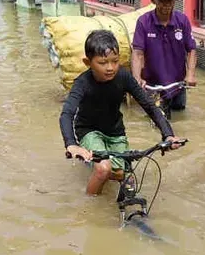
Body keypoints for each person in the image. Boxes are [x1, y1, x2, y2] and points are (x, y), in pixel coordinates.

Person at [60, 29, 185, 196]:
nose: (110, 68)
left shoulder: (124, 77)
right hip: (89, 131)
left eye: (115, 61)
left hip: (115, 133)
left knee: (125, 175)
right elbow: (66, 114)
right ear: (87, 62)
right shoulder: (82, 83)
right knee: (103, 169)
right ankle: (88, 212)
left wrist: (168, 135)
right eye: (103, 63)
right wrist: (72, 144)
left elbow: (149, 105)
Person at [131, 0, 197, 113]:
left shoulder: (182, 21)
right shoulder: (144, 22)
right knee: (153, 119)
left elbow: (191, 49)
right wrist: (137, 79)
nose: (166, 5)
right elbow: (137, 53)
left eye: (170, 0)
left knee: (179, 116)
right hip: (151, 85)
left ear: (175, 0)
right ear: (152, 0)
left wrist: (190, 75)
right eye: (162, 0)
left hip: (177, 85)